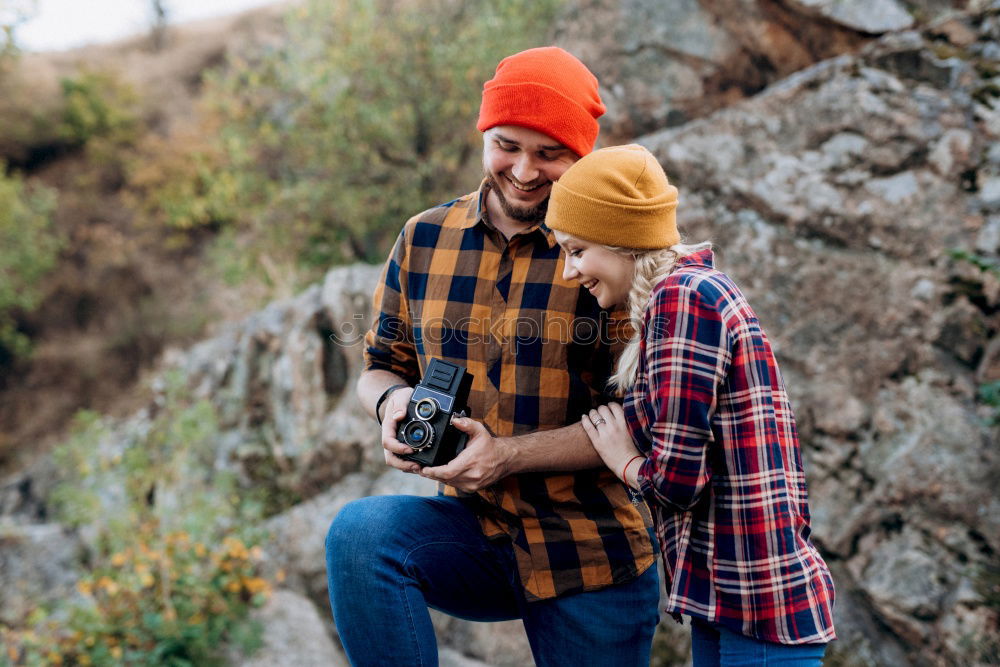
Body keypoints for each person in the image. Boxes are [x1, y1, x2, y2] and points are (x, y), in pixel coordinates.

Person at [325, 48, 660, 666]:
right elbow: (378, 367)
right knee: (359, 536)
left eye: (550, 153)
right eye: (508, 145)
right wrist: (392, 403)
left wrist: (508, 456)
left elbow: (643, 418)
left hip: (591, 549)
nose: (526, 171)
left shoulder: (615, 250)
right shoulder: (423, 237)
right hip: (472, 534)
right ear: (484, 133)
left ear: (581, 155)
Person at [545, 144, 836, 666]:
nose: (570, 272)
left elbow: (680, 480)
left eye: (577, 249)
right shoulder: (688, 294)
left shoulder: (683, 299)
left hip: (758, 609)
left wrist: (623, 460)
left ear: (622, 238)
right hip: (728, 601)